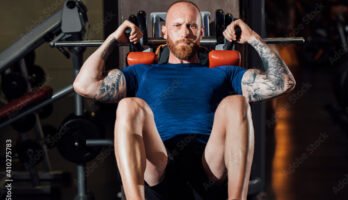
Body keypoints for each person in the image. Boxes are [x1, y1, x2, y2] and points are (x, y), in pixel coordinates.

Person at [73, 1, 296, 199]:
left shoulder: (224, 73)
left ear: (200, 33)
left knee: (237, 103)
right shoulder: (142, 72)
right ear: (164, 31)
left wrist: (253, 38)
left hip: (209, 164)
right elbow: (83, 85)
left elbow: (284, 83)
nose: (185, 32)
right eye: (177, 26)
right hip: (158, 163)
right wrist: (112, 39)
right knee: (128, 105)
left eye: (192, 26)